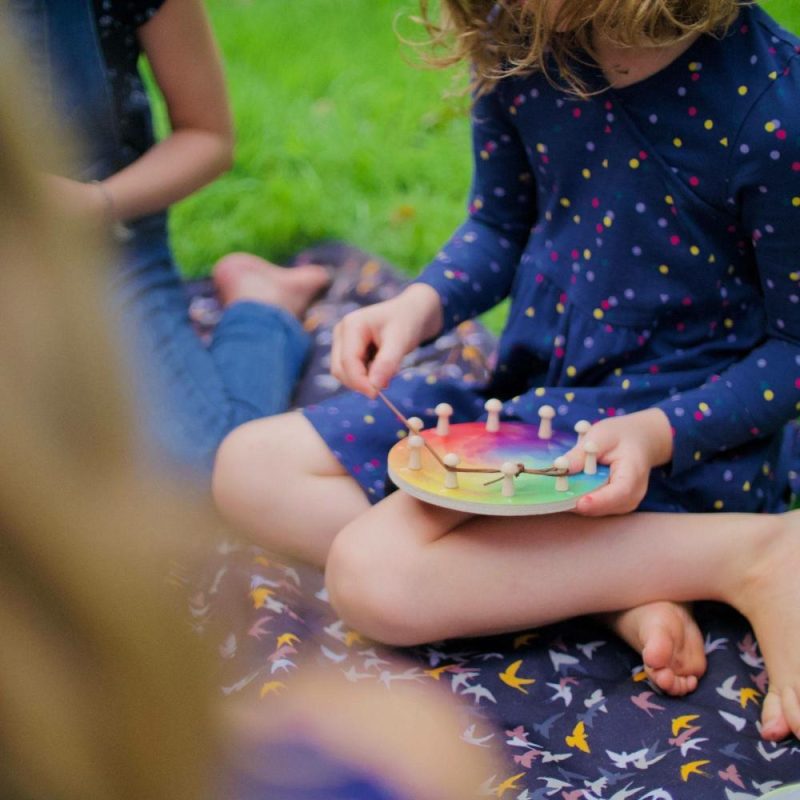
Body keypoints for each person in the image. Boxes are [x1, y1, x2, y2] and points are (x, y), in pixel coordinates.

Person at [213, 0, 800, 743]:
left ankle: (757, 552)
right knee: (249, 468)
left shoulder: (775, 107)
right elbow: (499, 226)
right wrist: (417, 307)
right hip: (532, 409)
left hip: (675, 442)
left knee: (374, 575)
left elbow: (794, 351)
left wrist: (656, 435)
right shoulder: (520, 37)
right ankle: (613, 583)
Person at [8, 0, 330, 473]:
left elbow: (209, 138)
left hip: (107, 239)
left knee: (202, 467)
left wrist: (94, 203)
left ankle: (263, 307)